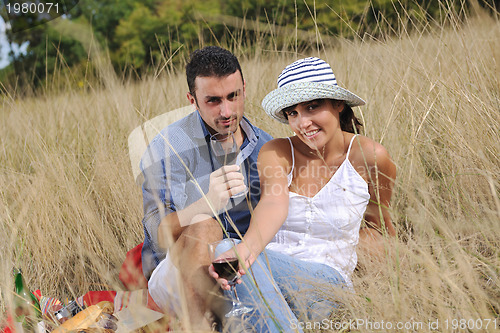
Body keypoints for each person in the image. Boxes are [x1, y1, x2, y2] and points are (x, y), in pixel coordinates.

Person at [140, 46, 313, 332]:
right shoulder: (166, 148)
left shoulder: (266, 147)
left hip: (235, 270)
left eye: (234, 96)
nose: (227, 111)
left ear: (244, 88)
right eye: (213, 100)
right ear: (192, 100)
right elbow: (158, 236)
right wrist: (205, 203)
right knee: (206, 227)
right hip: (175, 275)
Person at [211, 57, 397, 319]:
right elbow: (273, 203)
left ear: (338, 104)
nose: (303, 123)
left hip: (326, 284)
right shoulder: (277, 152)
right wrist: (246, 249)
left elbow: (378, 227)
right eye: (293, 113)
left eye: (312, 107)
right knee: (223, 256)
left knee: (227, 255)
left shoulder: (370, 156)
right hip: (270, 271)